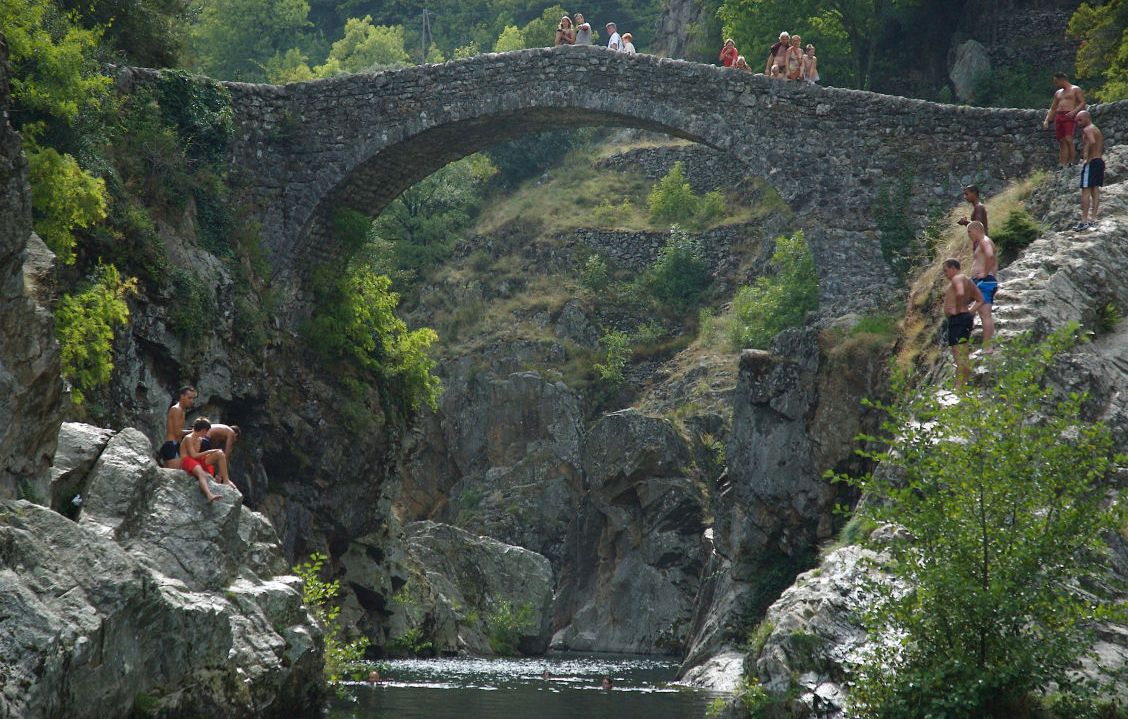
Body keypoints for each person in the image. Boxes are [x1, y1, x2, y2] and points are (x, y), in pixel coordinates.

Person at [942, 258, 984, 391]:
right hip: (964, 319)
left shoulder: (957, 278)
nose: (945, 274)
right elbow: (980, 299)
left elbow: (960, 293)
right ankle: (964, 386)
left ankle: (959, 389)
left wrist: (957, 308)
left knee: (958, 356)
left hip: (957, 320)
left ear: (953, 268)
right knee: (964, 355)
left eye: (946, 270)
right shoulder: (968, 280)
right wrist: (970, 311)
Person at [180, 417, 235, 502]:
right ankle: (209, 495)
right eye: (206, 431)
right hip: (187, 461)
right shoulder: (189, 438)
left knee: (220, 453)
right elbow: (193, 455)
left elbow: (199, 456)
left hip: (197, 460)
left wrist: (212, 453)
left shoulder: (200, 439)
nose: (207, 433)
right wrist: (209, 451)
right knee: (201, 473)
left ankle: (226, 480)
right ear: (203, 430)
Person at [1042, 72, 1086, 167]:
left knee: (1068, 138)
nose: (1056, 84)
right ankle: (1062, 163)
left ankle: (1071, 161)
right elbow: (1053, 108)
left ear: (1062, 80)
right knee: (1061, 140)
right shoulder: (1058, 93)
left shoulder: (1075, 89)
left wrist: (1074, 112)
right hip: (1059, 116)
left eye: (1056, 81)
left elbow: (1082, 103)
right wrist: (1047, 120)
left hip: (1069, 115)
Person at [966, 221, 997, 353]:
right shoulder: (983, 242)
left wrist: (985, 272)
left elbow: (990, 255)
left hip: (985, 281)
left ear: (975, 230)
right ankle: (985, 345)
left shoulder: (984, 241)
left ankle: (988, 346)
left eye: (969, 232)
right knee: (982, 313)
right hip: (982, 281)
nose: (969, 235)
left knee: (985, 314)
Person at [1077, 110, 1104, 230]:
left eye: (1079, 120)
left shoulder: (1088, 129)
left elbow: (1092, 142)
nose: (1078, 123)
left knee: (1086, 190)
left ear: (1087, 118)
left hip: (1092, 162)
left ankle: (1084, 221)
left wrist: (1087, 157)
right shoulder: (1096, 129)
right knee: (1095, 190)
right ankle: (1093, 219)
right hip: (1099, 161)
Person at [159, 385, 196, 469]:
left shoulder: (182, 410)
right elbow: (177, 432)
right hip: (172, 445)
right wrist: (194, 431)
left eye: (193, 399)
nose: (192, 401)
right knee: (175, 476)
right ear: (182, 396)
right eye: (189, 398)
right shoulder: (177, 409)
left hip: (175, 445)